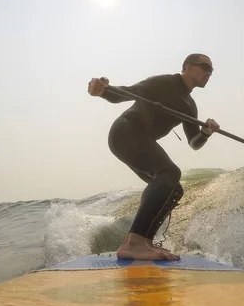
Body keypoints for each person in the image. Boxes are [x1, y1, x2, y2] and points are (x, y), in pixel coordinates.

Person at [87, 53, 220, 261]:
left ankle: (145, 242)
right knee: (169, 172)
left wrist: (205, 133)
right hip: (126, 132)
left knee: (174, 189)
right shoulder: (164, 82)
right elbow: (127, 93)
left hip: (142, 140)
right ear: (187, 66)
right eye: (204, 67)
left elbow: (194, 143)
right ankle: (134, 243)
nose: (209, 73)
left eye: (211, 70)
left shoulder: (189, 105)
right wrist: (104, 91)